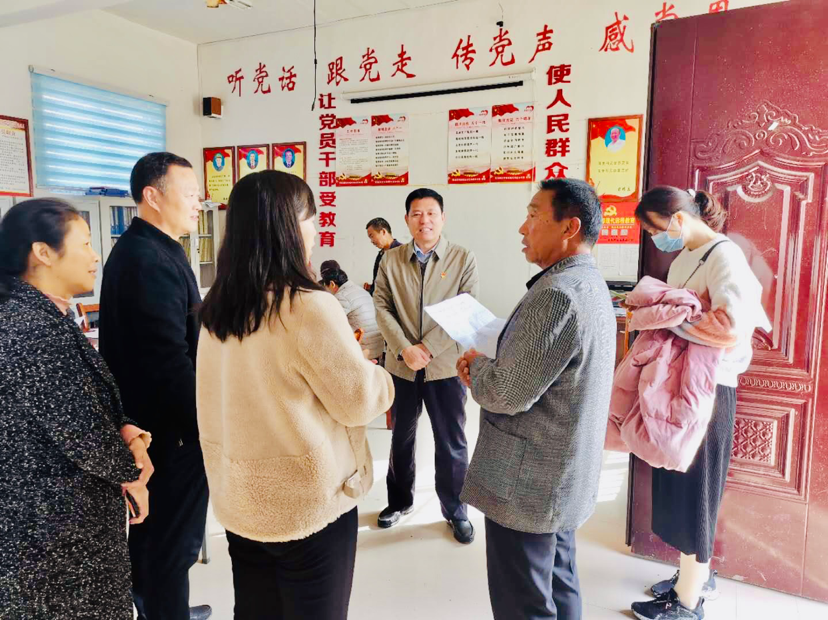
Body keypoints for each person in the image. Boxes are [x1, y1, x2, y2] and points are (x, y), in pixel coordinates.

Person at [197, 171, 394, 620]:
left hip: (241, 498)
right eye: (311, 218)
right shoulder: (307, 305)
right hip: (307, 501)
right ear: (289, 226)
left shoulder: (217, 308)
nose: (315, 229)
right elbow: (358, 401)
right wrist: (377, 374)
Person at [457, 178, 616, 619]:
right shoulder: (587, 282)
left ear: (569, 227)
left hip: (528, 485)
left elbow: (506, 393)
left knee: (524, 601)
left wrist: (477, 369)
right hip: (559, 475)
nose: (522, 228)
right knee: (559, 581)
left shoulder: (558, 295)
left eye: (533, 215)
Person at [0, 199, 153, 618]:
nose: (95, 255)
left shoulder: (40, 314)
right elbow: (80, 431)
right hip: (52, 535)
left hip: (56, 526)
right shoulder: (28, 327)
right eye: (84, 243)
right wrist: (131, 468)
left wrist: (128, 431)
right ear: (43, 253)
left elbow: (80, 403)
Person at [628, 187, 768, 620]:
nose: (655, 239)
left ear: (677, 219)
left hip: (709, 390)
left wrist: (670, 317)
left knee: (697, 492)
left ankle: (689, 603)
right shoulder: (685, 257)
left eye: (655, 229)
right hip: (679, 385)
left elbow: (730, 327)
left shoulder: (725, 256)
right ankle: (693, 577)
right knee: (678, 482)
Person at [99, 152, 211, 620]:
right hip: (168, 435)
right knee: (169, 546)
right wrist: (205, 428)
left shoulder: (158, 248)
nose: (198, 204)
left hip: (161, 428)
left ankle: (166, 608)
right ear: (152, 196)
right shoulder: (148, 259)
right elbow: (168, 362)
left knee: (159, 542)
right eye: (189, 194)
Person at [373, 188, 480, 543]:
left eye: (432, 213)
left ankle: (456, 510)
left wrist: (428, 349)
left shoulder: (462, 258)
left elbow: (465, 307)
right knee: (401, 437)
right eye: (417, 214)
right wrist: (404, 349)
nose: (425, 220)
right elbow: (382, 307)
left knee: (451, 441)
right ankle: (399, 502)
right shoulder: (391, 260)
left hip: (445, 367)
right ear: (407, 220)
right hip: (402, 367)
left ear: (442, 218)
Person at [320, 259, 384, 360]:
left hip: (363, 350)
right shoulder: (361, 290)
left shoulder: (342, 296)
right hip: (378, 347)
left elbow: (329, 322)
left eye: (326, 286)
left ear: (332, 284)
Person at [363, 217, 401, 295]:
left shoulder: (402, 252)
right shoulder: (381, 254)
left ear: (383, 232)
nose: (371, 241)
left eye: (372, 236)